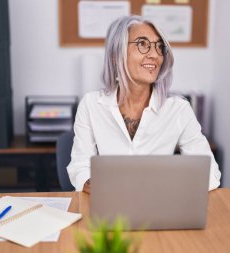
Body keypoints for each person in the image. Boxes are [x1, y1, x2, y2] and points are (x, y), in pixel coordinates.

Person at [67, 15, 221, 193]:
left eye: (159, 47)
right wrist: (103, 189)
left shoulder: (178, 109)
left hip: (159, 205)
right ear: (116, 54)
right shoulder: (91, 104)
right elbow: (80, 166)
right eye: (142, 44)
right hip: (109, 207)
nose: (155, 55)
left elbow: (210, 175)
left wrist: (166, 185)